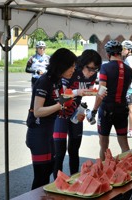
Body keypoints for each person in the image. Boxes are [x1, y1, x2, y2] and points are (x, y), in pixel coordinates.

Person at [25, 48, 78, 190]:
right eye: (71, 66)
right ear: (61, 65)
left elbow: (60, 106)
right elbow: (37, 111)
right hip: (38, 134)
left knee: (49, 170)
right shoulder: (44, 82)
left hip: (49, 133)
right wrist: (61, 105)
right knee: (41, 176)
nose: (74, 69)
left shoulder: (58, 81)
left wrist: (73, 111)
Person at [53, 49, 102, 178]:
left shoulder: (92, 74)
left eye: (95, 69)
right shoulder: (71, 71)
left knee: (74, 150)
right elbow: (62, 97)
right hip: (60, 113)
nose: (92, 72)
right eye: (90, 68)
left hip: (75, 111)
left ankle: (75, 180)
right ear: (82, 64)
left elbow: (87, 91)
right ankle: (56, 184)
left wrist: (95, 94)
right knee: (59, 153)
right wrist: (78, 92)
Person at [87, 40, 132, 161]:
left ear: (108, 54)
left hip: (107, 109)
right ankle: (129, 170)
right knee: (124, 144)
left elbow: (102, 91)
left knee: (103, 145)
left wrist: (94, 110)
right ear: (120, 53)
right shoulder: (129, 70)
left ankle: (104, 172)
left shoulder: (105, 68)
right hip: (122, 109)